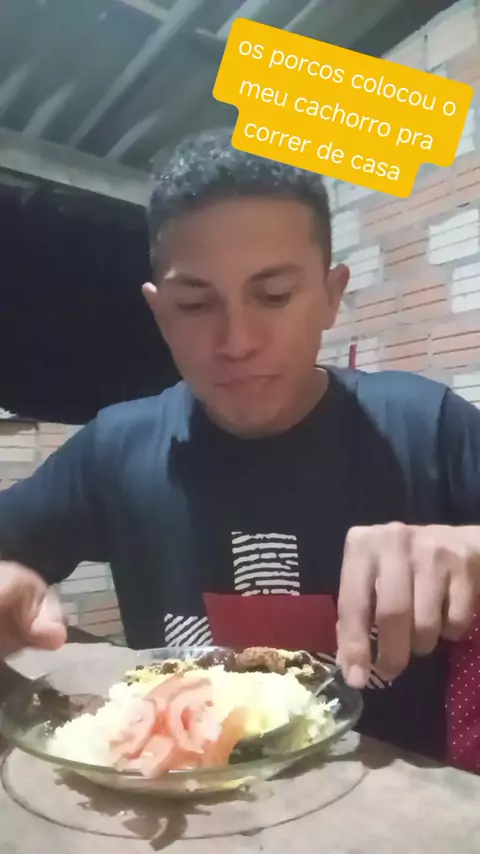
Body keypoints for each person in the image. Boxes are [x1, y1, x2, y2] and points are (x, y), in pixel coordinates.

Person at [1, 127, 480, 764]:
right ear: (159, 313)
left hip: (399, 803)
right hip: (182, 799)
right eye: (195, 304)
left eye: (273, 296)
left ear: (330, 297)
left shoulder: (426, 425)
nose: (237, 341)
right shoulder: (117, 446)